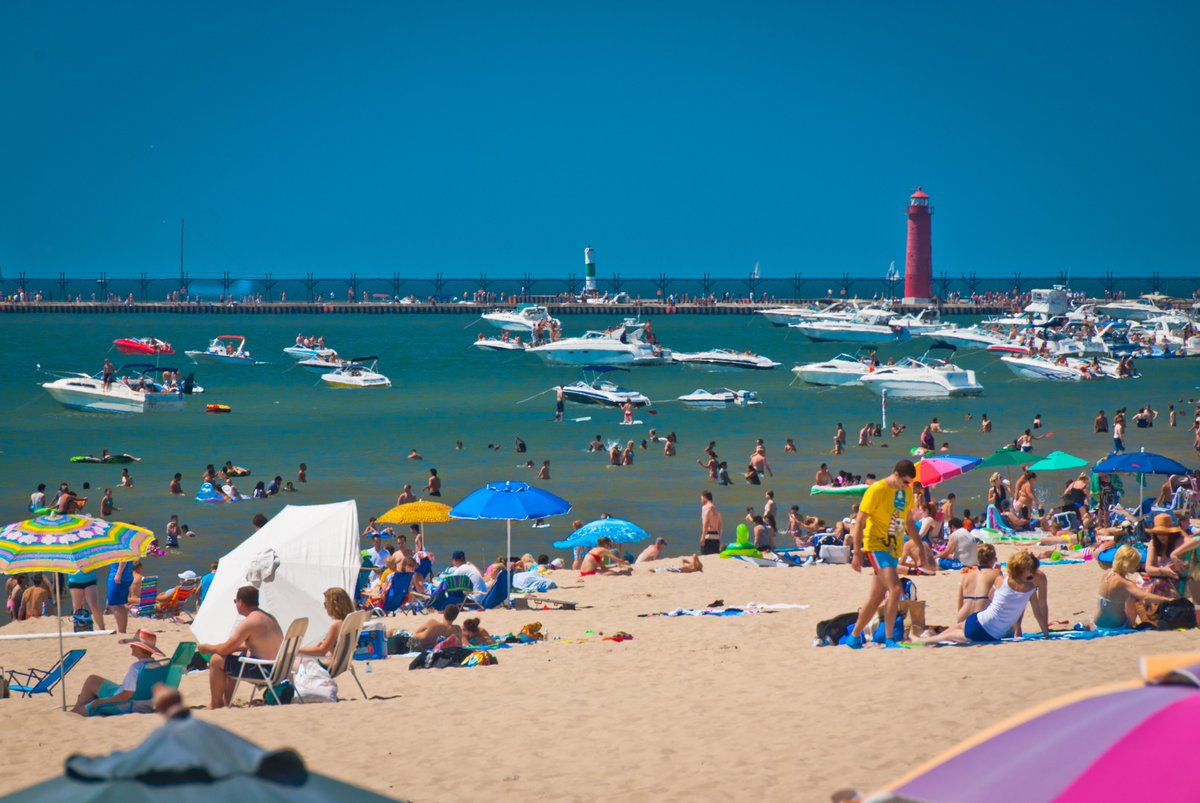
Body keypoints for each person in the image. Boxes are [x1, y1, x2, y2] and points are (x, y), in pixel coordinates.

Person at [845, 460, 919, 648]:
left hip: (893, 548)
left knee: (876, 597)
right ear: (895, 475)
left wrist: (922, 549)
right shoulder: (876, 490)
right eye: (905, 481)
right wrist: (856, 553)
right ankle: (889, 640)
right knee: (895, 590)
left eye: (909, 483)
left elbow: (909, 523)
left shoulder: (906, 492)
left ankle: (854, 637)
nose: (907, 485)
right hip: (876, 545)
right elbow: (860, 522)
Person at [923, 552, 1050, 644]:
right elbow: (1037, 613)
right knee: (942, 638)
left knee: (945, 635)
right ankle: (919, 641)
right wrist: (1046, 634)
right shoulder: (1031, 589)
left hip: (978, 619)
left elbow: (990, 597)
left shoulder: (1000, 579)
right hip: (987, 632)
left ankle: (918, 639)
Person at [197, 586, 285, 708]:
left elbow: (224, 650)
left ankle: (215, 704)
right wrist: (231, 648)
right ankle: (227, 701)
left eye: (235, 601)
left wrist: (207, 648)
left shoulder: (249, 622)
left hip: (264, 671)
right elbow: (249, 644)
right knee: (234, 657)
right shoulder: (269, 618)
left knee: (216, 660)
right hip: (278, 668)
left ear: (241, 602)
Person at [71, 629, 166, 715]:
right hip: (144, 703)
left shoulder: (136, 668)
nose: (131, 646)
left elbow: (127, 695)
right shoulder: (157, 665)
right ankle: (80, 706)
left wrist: (102, 701)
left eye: (134, 644)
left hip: (125, 704)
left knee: (89, 701)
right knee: (92, 679)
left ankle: (75, 712)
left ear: (141, 648)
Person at [1096, 545, 1173, 629]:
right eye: (1136, 564)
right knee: (1133, 597)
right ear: (1128, 564)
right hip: (1117, 624)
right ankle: (1132, 623)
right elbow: (1145, 597)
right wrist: (1167, 600)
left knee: (1127, 595)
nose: (1138, 567)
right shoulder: (1125, 583)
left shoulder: (1107, 574)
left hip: (1098, 622)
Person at [298, 588, 356, 657]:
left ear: (335, 605)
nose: (325, 607)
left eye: (326, 603)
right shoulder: (349, 622)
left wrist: (296, 650)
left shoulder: (336, 625)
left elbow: (322, 651)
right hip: (341, 662)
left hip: (330, 663)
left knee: (295, 662)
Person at [956, 544, 1000, 621]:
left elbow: (960, 601)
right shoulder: (996, 574)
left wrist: (959, 619)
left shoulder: (966, 576)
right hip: (980, 618)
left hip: (962, 615)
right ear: (992, 560)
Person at [106, 560, 134, 633]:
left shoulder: (121, 548)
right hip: (125, 574)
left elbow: (123, 558)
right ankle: (122, 630)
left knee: (115, 605)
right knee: (121, 604)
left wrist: (119, 574)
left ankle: (122, 630)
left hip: (119, 575)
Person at [699, 491, 723, 555]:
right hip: (716, 537)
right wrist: (719, 538)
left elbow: (706, 522)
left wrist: (703, 536)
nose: (701, 501)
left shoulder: (705, 507)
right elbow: (720, 525)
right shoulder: (717, 510)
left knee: (705, 559)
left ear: (705, 498)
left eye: (701, 499)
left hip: (708, 536)